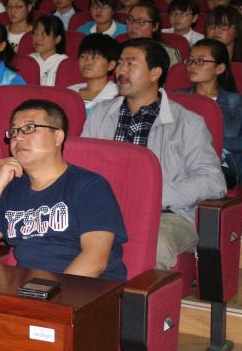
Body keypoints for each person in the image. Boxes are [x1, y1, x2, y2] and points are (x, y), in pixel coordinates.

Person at [82, 39, 226, 269]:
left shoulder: (188, 123)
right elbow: (82, 167)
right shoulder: (100, 114)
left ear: (154, 73)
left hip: (166, 214)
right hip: (104, 210)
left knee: (153, 244)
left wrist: (155, 195)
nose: (121, 71)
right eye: (120, 63)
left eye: (131, 63)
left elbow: (212, 180)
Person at [0, 100, 128, 279]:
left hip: (84, 288)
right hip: (28, 287)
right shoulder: (12, 189)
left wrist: (51, 293)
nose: (18, 137)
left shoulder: (90, 186)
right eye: (14, 131)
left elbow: (94, 260)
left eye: (29, 128)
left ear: (58, 137)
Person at [179, 39, 242, 188]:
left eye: (200, 61)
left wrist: (217, 142)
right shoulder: (176, 98)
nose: (192, 65)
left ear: (219, 68)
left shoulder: (238, 104)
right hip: (179, 162)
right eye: (190, 60)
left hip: (219, 167)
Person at [69, 33, 120, 113]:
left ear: (111, 65)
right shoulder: (70, 92)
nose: (87, 62)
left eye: (94, 57)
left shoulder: (117, 95)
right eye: (83, 56)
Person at [205, 6, 242, 74]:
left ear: (237, 31)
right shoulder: (198, 57)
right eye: (211, 25)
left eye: (224, 25)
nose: (216, 30)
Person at [30, 16, 67, 86]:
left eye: (43, 34)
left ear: (57, 39)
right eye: (35, 33)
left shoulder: (64, 63)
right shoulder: (28, 60)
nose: (37, 38)